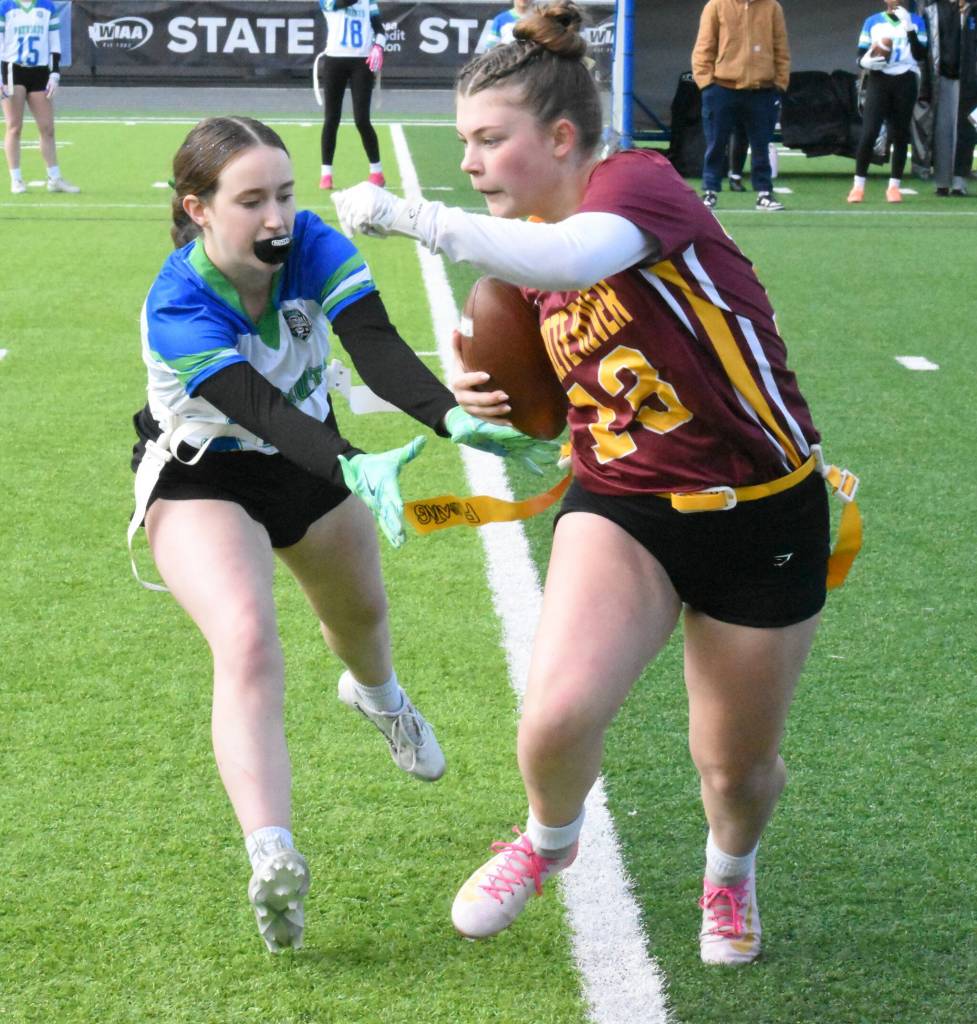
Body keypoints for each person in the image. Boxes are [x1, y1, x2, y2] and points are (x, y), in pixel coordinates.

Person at [333, 1, 858, 966]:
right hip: (624, 502)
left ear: (562, 136)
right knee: (555, 714)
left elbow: (573, 256)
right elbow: (550, 396)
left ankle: (729, 875)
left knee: (733, 770)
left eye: (490, 140)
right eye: (464, 143)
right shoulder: (523, 255)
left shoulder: (638, 185)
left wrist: (415, 221)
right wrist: (493, 393)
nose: (471, 163)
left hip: (758, 508)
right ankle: (545, 843)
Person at [131, 115, 558, 953]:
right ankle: (272, 853)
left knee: (359, 615)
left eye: (284, 194)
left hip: (308, 452)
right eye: (250, 200)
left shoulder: (311, 243)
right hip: (203, 472)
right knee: (248, 641)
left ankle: (378, 697)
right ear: (198, 208)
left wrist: (450, 421)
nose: (276, 217)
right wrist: (352, 465)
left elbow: (373, 345)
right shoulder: (176, 304)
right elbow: (255, 410)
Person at [692, 0, 790, 211]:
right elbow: (704, 47)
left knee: (761, 145)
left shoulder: (772, 7)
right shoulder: (716, 6)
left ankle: (764, 193)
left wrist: (780, 83)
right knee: (716, 143)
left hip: (762, 90)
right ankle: (710, 191)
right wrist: (706, 84)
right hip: (721, 87)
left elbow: (781, 49)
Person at [848, 2, 928, 204]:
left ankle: (894, 185)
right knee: (869, 132)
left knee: (900, 133)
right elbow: (860, 54)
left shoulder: (916, 21)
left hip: (905, 78)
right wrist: (864, 62)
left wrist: (909, 28)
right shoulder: (873, 22)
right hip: (879, 78)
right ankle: (858, 186)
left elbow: (921, 54)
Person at [0, 0, 78, 195]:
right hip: (12, 70)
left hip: (40, 70)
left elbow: (54, 43)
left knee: (47, 127)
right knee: (14, 126)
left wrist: (55, 73)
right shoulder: (5, 6)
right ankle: (16, 179)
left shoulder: (46, 6)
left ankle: (54, 178)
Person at [316, 0, 387, 190]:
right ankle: (326, 173)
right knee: (331, 119)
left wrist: (378, 46)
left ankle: (377, 171)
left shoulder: (368, 2)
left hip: (361, 63)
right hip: (334, 61)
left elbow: (379, 28)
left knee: (362, 119)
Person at [921, 0, 970, 195]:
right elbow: (924, 51)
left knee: (964, 130)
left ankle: (959, 181)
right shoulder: (931, 11)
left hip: (968, 81)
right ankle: (942, 182)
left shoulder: (972, 11)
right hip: (939, 79)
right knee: (942, 131)